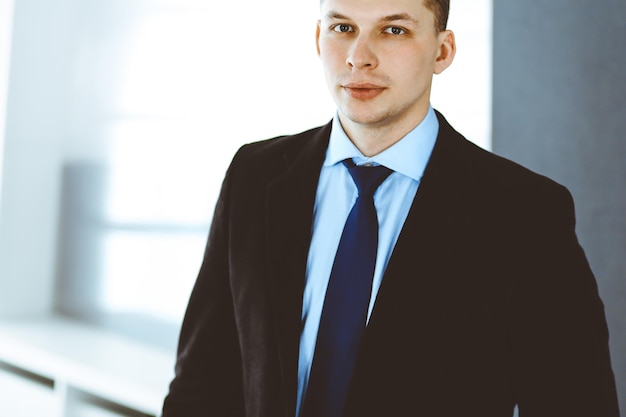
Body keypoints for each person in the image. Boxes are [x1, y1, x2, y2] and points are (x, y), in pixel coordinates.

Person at [161, 0, 620, 415]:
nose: (359, 56)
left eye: (393, 30)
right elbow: (202, 386)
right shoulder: (253, 177)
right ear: (318, 39)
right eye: (342, 28)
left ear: (442, 51)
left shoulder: (523, 215)